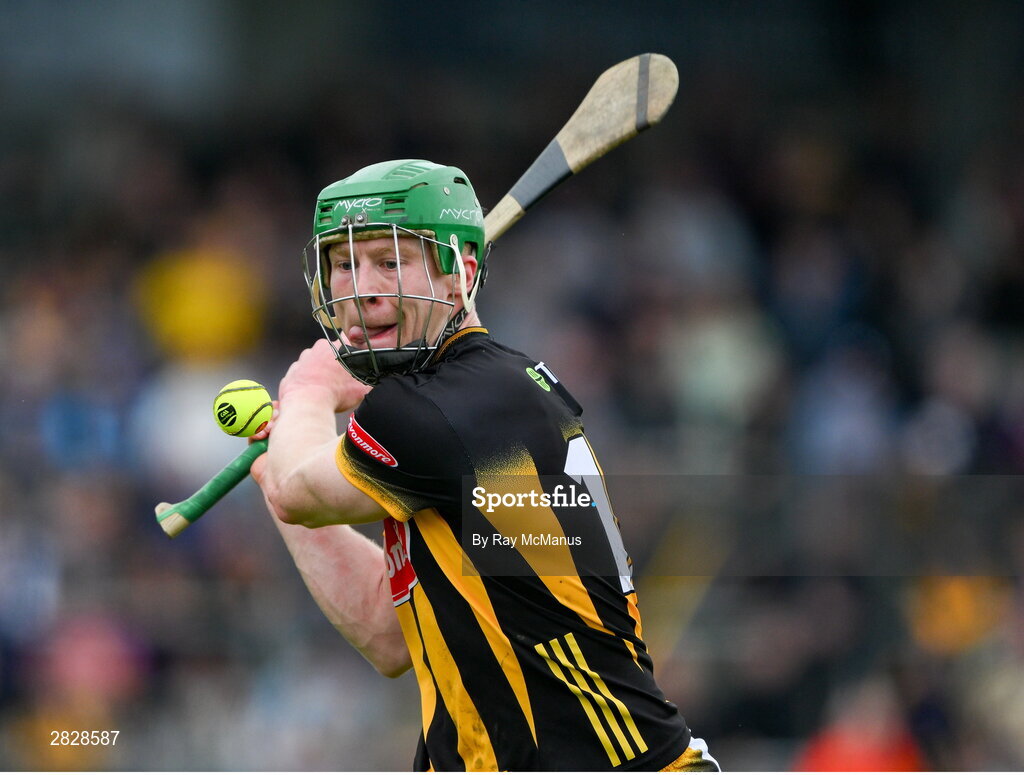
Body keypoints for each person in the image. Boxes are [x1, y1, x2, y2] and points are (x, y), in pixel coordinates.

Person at [250, 159, 718, 772]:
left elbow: (298, 491)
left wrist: (309, 390)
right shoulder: (462, 403)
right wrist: (274, 456)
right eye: (344, 264)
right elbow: (386, 632)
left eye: (391, 261)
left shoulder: (450, 408)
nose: (360, 289)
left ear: (460, 273)